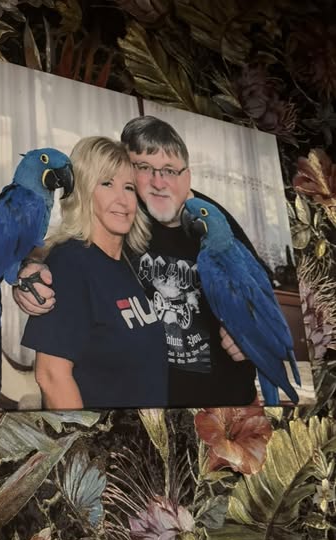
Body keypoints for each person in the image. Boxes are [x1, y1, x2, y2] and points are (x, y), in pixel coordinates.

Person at [16, 116, 269, 407]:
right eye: (144, 168)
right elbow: (52, 374)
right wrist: (25, 272)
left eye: (168, 170)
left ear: (186, 174)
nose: (157, 182)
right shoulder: (88, 251)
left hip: (228, 400)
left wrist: (250, 333)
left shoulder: (207, 220)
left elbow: (262, 296)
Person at [20, 136, 169, 409]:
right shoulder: (69, 263)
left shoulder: (129, 263)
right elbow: (51, 376)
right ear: (84, 191)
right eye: (107, 184)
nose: (123, 200)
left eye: (129, 187)